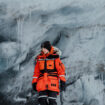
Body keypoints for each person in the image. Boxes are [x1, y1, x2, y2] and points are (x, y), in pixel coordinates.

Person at [32, 41, 66, 105]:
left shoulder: (55, 57)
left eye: (44, 48)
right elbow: (36, 72)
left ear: (48, 48)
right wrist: (34, 82)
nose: (43, 50)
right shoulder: (39, 58)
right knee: (42, 100)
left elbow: (61, 71)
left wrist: (62, 82)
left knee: (52, 101)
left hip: (52, 83)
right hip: (42, 83)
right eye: (42, 48)